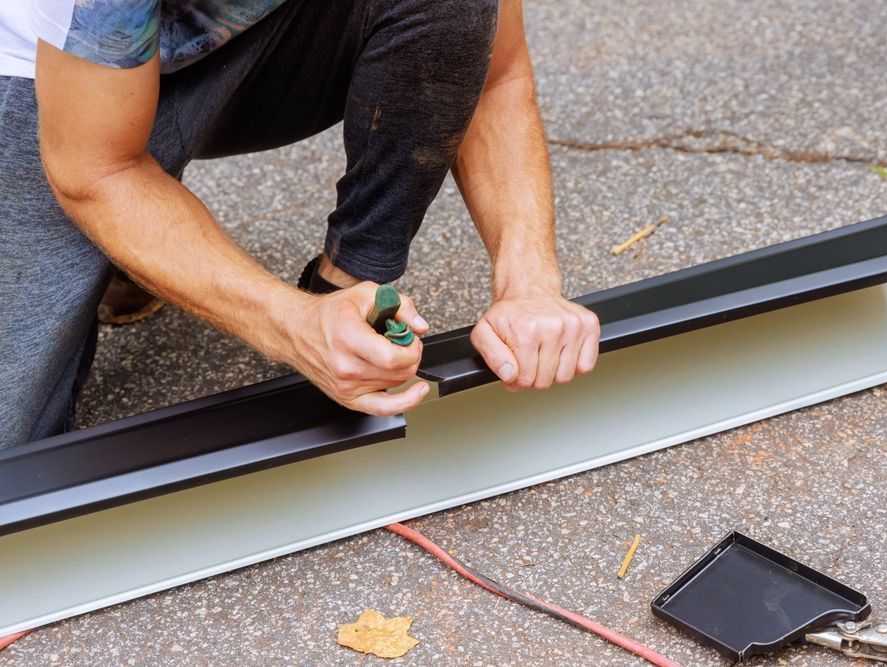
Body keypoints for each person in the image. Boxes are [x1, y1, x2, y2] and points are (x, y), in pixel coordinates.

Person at [0, 0, 601, 450]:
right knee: (15, 453)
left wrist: (530, 286)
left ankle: (344, 298)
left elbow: (496, 71)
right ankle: (127, 247)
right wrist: (288, 326)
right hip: (50, 81)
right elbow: (96, 170)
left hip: (243, 43)